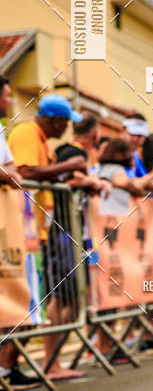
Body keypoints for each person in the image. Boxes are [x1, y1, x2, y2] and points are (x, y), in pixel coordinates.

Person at [8, 94, 88, 381]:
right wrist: (68, 167)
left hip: (36, 232)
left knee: (33, 305)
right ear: (56, 120)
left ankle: (12, 367)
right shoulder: (27, 133)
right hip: (21, 231)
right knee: (28, 306)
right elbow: (26, 172)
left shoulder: (41, 140)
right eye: (66, 123)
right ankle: (9, 368)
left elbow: (45, 177)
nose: (67, 129)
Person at [0, 76, 39, 388]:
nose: (11, 100)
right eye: (7, 95)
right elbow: (11, 172)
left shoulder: (1, 129)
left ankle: (6, 368)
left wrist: (7, 173)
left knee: (16, 298)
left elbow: (13, 170)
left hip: (8, 227)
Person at [121, 113, 149, 178]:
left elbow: (144, 179)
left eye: (140, 135)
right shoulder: (115, 152)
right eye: (132, 133)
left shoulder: (135, 156)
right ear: (122, 130)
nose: (135, 139)